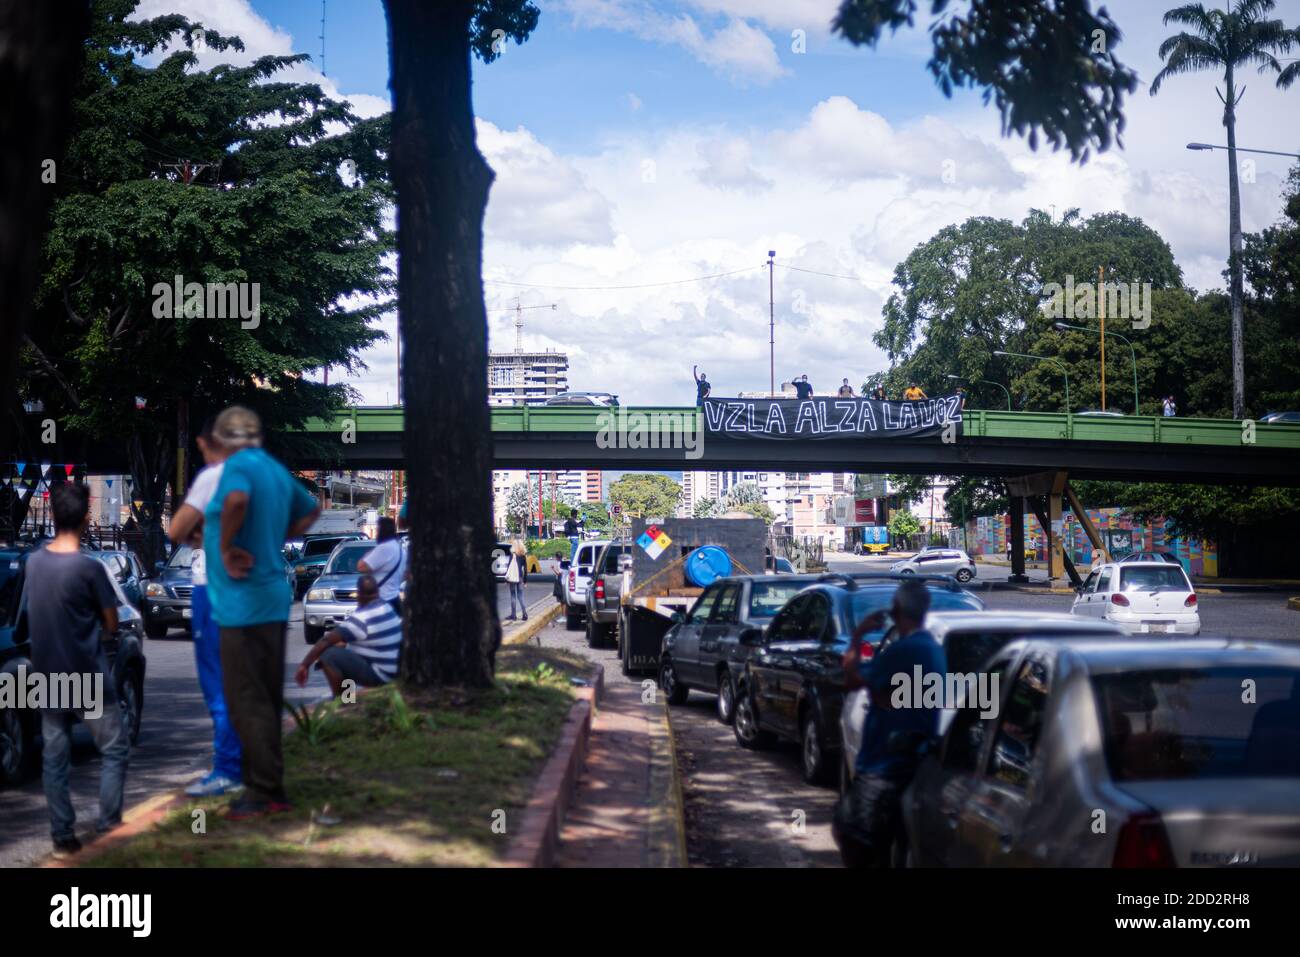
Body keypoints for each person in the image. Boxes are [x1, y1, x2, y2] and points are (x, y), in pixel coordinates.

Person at [204, 406, 321, 820]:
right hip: (273, 599)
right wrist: (277, 535)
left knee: (244, 701)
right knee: (267, 698)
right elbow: (313, 509)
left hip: (243, 603)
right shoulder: (273, 469)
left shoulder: (237, 468)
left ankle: (263, 791)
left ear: (224, 441)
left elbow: (235, 501)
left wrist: (225, 547)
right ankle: (271, 786)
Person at [27, 482, 129, 857]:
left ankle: (62, 838)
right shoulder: (90, 568)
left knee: (55, 759)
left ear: (52, 515)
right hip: (87, 675)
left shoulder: (33, 563)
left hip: (46, 678)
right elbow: (112, 622)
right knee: (114, 749)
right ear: (87, 517)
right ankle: (107, 828)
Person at [834, 578, 945, 868]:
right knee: (881, 846)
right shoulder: (930, 648)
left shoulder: (902, 651)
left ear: (897, 610)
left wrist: (858, 634)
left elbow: (851, 677)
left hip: (884, 766)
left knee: (852, 835)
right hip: (906, 762)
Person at [167, 418, 242, 798]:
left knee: (216, 685)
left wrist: (198, 531)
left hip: (210, 587)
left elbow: (175, 529)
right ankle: (240, 762)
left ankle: (228, 769)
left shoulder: (214, 476)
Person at [295, 575, 400, 696]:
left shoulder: (362, 618)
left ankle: (343, 700)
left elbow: (326, 640)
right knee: (342, 649)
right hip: (393, 671)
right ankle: (348, 698)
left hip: (380, 675)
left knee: (329, 655)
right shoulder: (387, 608)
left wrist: (304, 665)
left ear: (359, 594)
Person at [358, 516, 406, 615]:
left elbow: (361, 567)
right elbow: (406, 574)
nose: (376, 533)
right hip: (395, 601)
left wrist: (371, 552)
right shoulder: (402, 550)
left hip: (381, 602)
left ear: (382, 531)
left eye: (377, 530)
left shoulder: (384, 548)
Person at [504, 539, 529, 621]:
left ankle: (513, 615)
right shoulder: (523, 555)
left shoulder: (513, 554)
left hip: (513, 578)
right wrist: (525, 581)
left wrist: (507, 580)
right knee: (520, 596)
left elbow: (509, 567)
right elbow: (525, 569)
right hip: (520, 577)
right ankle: (524, 613)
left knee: (513, 595)